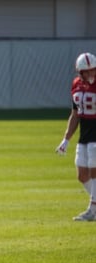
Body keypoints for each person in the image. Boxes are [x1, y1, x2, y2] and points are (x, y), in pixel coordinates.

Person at [56, 52, 96, 221]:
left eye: (93, 70)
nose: (90, 74)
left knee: (94, 170)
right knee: (82, 175)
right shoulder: (76, 85)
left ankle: (93, 209)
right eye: (86, 71)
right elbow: (75, 114)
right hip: (85, 134)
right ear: (79, 72)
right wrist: (66, 139)